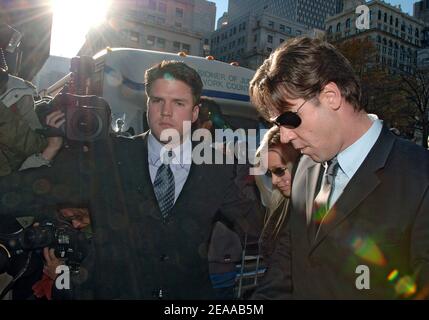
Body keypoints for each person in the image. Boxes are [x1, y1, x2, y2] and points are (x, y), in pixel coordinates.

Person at [0, 60, 263, 299]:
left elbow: (261, 225)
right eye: (158, 101)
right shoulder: (109, 158)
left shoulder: (216, 169)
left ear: (194, 113)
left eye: (178, 103)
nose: (166, 112)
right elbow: (32, 189)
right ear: (147, 105)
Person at [249, 37, 429, 299]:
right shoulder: (304, 169)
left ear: (331, 96)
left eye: (288, 120)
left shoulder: (420, 176)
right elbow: (284, 272)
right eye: (277, 126)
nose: (285, 137)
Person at [254, 126, 300, 258]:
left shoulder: (313, 209)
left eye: (279, 170)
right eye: (270, 173)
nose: (274, 181)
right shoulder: (280, 207)